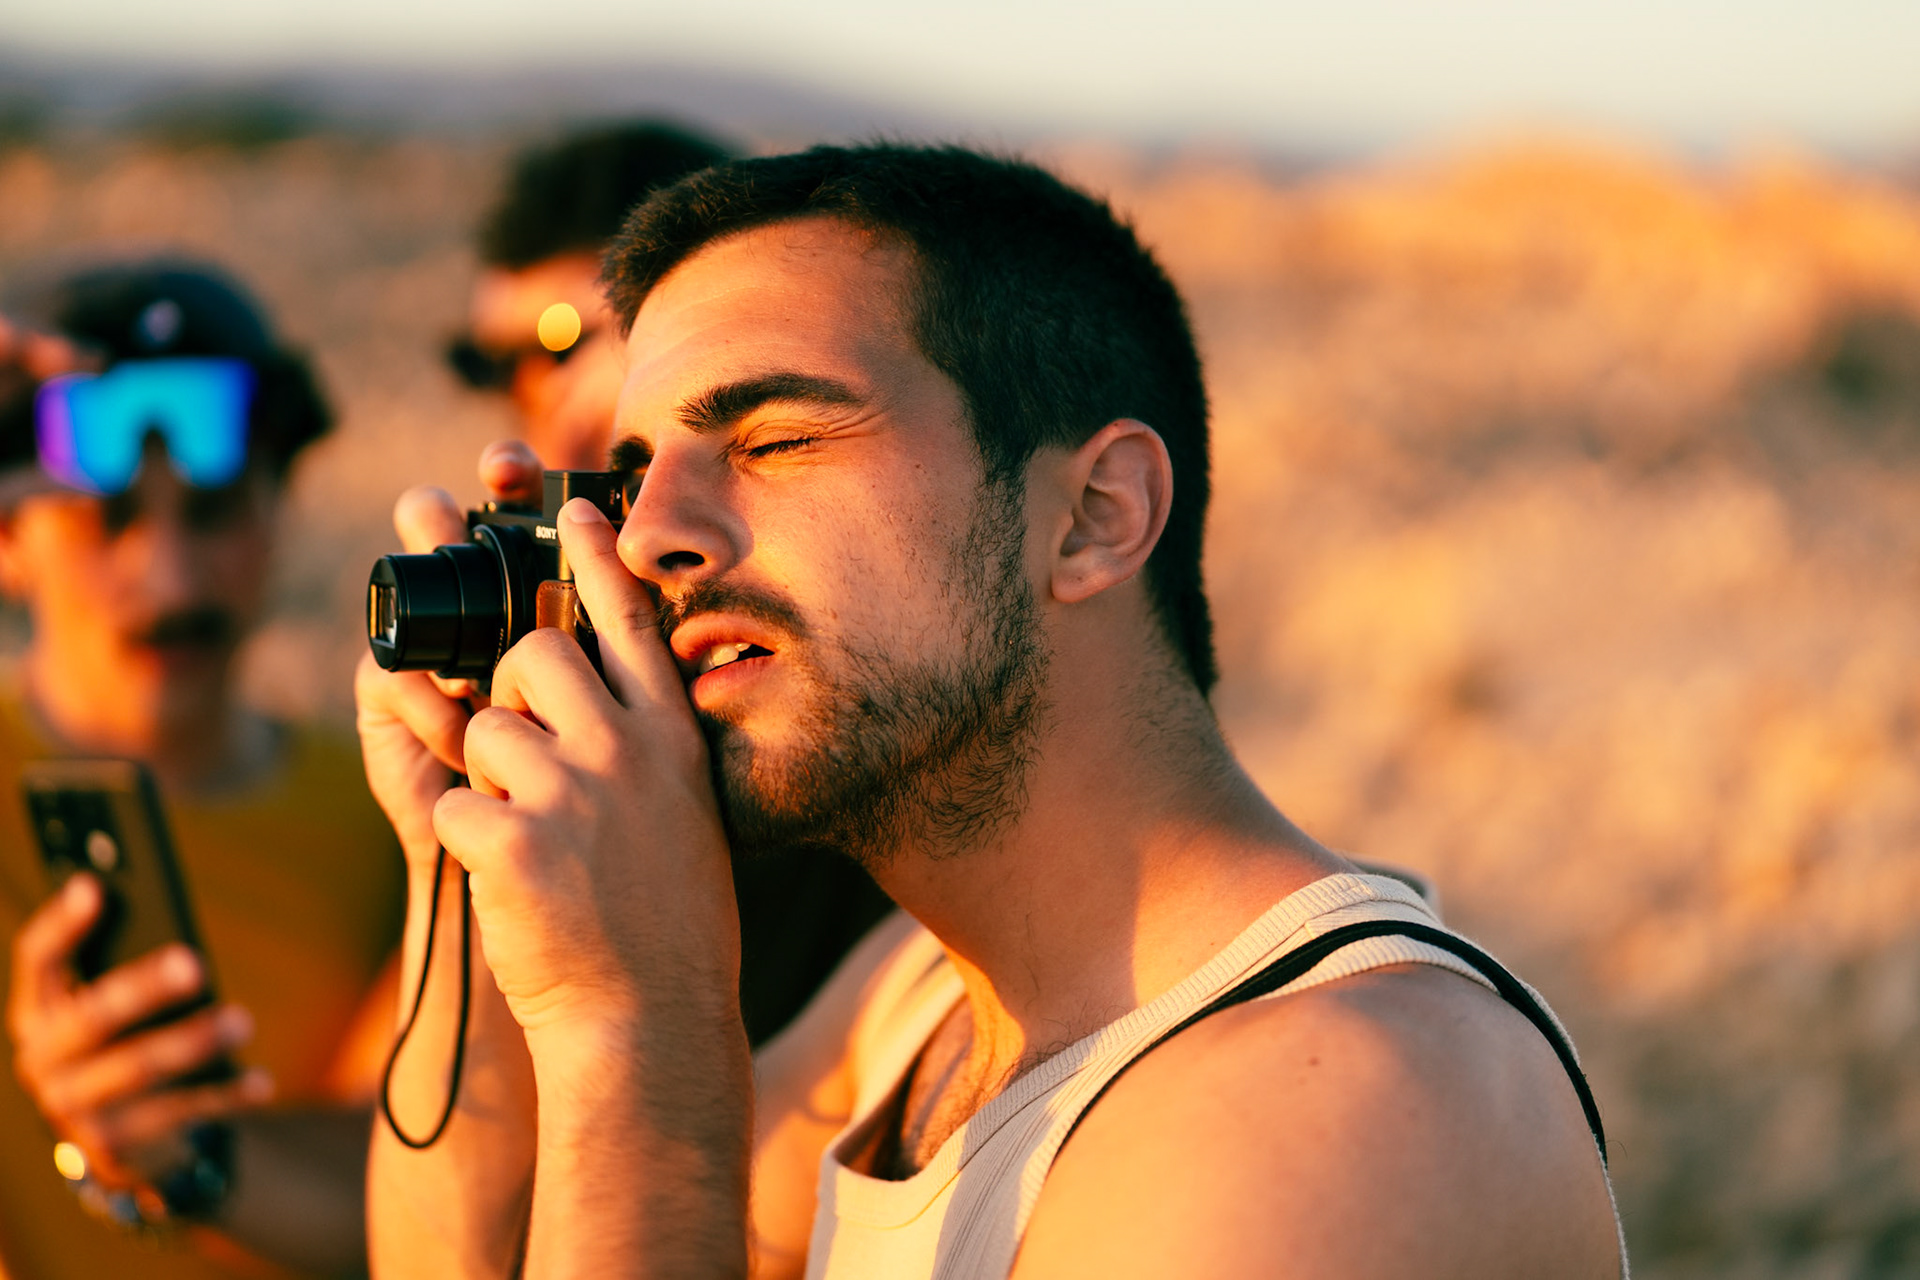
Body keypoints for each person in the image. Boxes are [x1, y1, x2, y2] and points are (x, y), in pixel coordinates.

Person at [357, 145, 1628, 1277]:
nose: (645, 539)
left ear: (1093, 516)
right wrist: (465, 854)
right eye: (634, 476)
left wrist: (645, 1034)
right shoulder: (924, 1004)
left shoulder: (1339, 1098)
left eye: (773, 439)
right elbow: (506, 1253)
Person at [447, 120, 895, 1049]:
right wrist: (456, 841)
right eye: (499, 367)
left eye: (562, 343)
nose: (539, 405)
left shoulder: (826, 715)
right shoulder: (560, 715)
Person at [0, 260, 404, 1278]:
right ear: (8, 536)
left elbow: (416, 1197)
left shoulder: (395, 811)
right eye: (108, 517)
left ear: (281, 507)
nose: (171, 578)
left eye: (215, 510)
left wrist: (178, 1155)